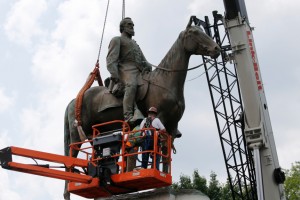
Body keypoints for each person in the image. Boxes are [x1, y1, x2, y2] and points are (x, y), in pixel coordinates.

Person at [106, 17, 152, 123]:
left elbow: (144, 60)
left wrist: (149, 66)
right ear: (122, 27)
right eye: (129, 24)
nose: (132, 26)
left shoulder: (135, 44)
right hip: (124, 70)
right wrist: (114, 74)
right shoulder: (117, 40)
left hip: (138, 70)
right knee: (131, 85)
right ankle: (128, 116)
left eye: (132, 25)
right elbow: (111, 59)